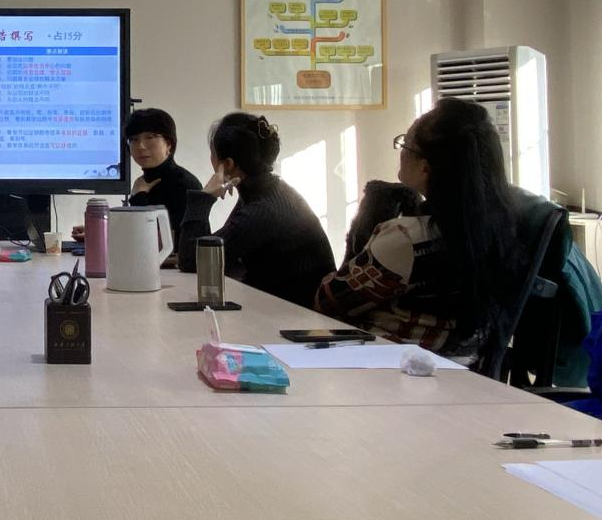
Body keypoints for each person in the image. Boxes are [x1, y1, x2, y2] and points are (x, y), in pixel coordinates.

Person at [315, 98, 520, 358]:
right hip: (463, 363)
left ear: (425, 168)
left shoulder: (405, 238)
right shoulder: (501, 224)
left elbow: (328, 301)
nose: (400, 153)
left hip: (391, 363)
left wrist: (362, 230)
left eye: (405, 145)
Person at [177, 112, 334, 308]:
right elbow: (221, 250)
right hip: (281, 307)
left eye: (213, 153)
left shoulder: (263, 209)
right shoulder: (267, 191)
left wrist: (204, 198)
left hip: (297, 316)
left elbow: (191, 260)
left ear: (228, 164)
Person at [71, 108, 201, 251]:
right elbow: (132, 232)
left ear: (168, 144)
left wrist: (139, 198)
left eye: (150, 137)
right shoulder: (143, 183)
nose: (141, 146)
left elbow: (159, 241)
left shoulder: (185, 185)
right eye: (134, 139)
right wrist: (98, 231)